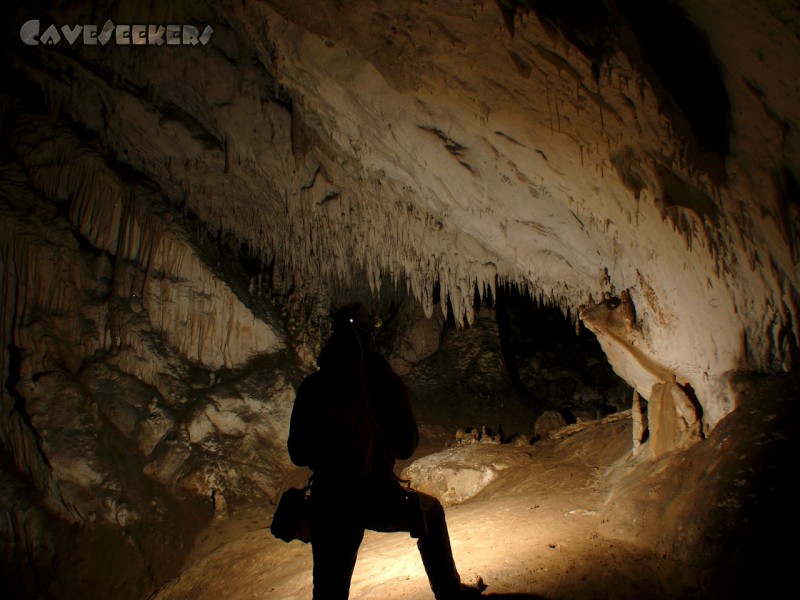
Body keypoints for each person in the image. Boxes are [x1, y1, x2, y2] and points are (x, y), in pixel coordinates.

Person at [288, 302, 482, 600]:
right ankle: (451, 594)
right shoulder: (385, 381)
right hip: (376, 495)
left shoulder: (313, 386)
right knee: (430, 514)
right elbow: (407, 446)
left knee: (328, 592)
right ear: (369, 338)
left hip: (330, 502)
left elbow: (298, 454)